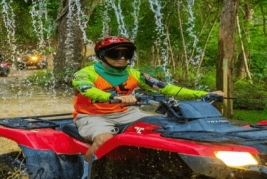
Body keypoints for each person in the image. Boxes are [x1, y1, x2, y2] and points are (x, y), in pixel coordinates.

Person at [72, 36, 224, 170]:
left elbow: (167, 88)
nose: (122, 57)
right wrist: (116, 97)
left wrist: (205, 94)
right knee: (103, 140)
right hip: (93, 116)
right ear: (102, 55)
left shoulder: (135, 74)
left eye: (127, 53)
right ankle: (86, 174)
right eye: (115, 53)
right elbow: (87, 90)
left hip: (126, 112)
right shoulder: (85, 74)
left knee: (161, 129)